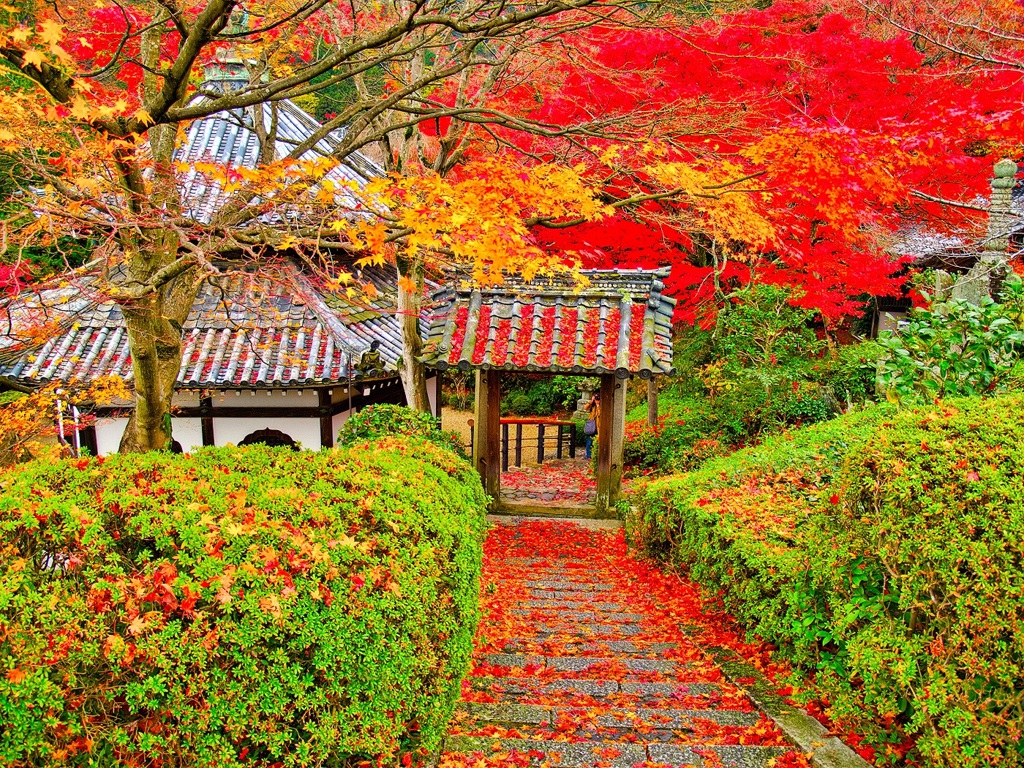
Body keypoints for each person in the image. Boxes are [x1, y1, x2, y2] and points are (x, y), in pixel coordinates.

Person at [584, 393, 600, 459]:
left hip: (598, 427)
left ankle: (595, 456)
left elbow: (599, 414)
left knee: (596, 442)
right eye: (596, 398)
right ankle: (588, 456)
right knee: (589, 442)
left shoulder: (602, 406)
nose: (597, 400)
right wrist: (591, 401)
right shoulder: (592, 406)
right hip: (591, 426)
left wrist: (598, 405)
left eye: (598, 399)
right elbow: (585, 408)